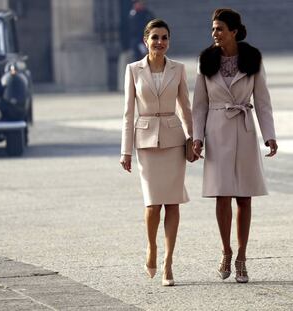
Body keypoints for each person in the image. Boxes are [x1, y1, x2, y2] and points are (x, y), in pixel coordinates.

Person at [192, 8, 278, 283]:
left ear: (234, 31)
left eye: (219, 29)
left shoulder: (253, 59)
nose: (214, 33)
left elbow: (263, 101)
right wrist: (197, 137)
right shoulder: (205, 61)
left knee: (244, 196)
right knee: (221, 195)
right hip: (216, 131)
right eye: (213, 29)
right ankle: (226, 251)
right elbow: (199, 105)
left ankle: (242, 256)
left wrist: (269, 135)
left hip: (244, 128)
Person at [120, 19, 193, 286]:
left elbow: (186, 107)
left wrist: (192, 138)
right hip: (146, 142)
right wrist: (125, 150)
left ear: (169, 41)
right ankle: (151, 247)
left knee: (172, 202)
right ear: (146, 41)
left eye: (164, 37)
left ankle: (168, 263)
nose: (159, 42)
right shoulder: (133, 70)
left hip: (174, 141)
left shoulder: (179, 69)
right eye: (155, 38)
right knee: (152, 204)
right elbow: (128, 113)